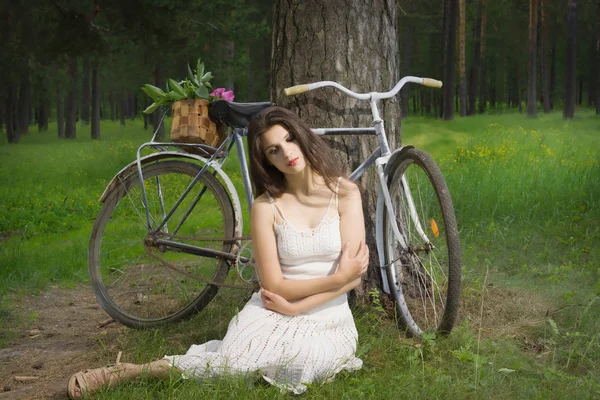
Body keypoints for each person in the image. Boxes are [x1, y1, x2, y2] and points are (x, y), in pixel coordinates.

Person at [67, 106, 369, 398]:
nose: (287, 153)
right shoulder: (266, 207)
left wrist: (297, 306)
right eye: (273, 150)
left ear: (302, 136)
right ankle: (132, 371)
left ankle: (150, 369)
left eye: (289, 139)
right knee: (234, 361)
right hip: (274, 308)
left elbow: (353, 278)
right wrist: (333, 280)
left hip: (328, 317)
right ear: (265, 161)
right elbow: (276, 286)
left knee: (301, 364)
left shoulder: (344, 193)